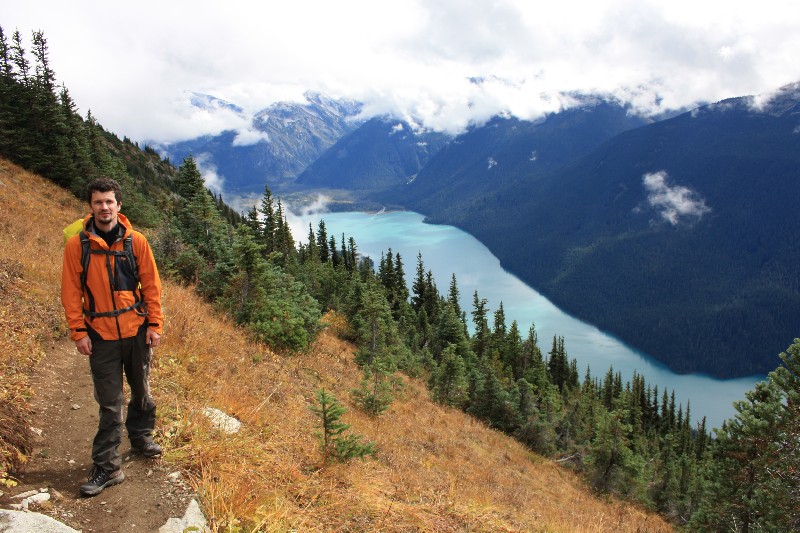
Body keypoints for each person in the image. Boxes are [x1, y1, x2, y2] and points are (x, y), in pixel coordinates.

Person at [61, 178, 164, 497]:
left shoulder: (137, 242)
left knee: (142, 389)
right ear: (90, 207)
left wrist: (155, 325)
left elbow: (151, 285)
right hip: (101, 335)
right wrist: (78, 332)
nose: (104, 207)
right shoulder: (77, 245)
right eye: (97, 202)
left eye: (109, 202)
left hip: (135, 330)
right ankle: (108, 466)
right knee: (110, 403)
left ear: (119, 206)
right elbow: (71, 291)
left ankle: (141, 434)